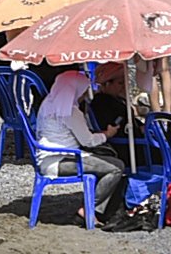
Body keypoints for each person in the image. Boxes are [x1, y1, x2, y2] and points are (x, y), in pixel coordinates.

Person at [33, 68, 136, 228]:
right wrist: (107, 134)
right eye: (82, 91)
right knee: (116, 167)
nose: (84, 96)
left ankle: (92, 207)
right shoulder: (71, 111)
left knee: (106, 162)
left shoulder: (48, 105)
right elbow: (88, 141)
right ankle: (90, 209)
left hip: (46, 158)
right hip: (62, 159)